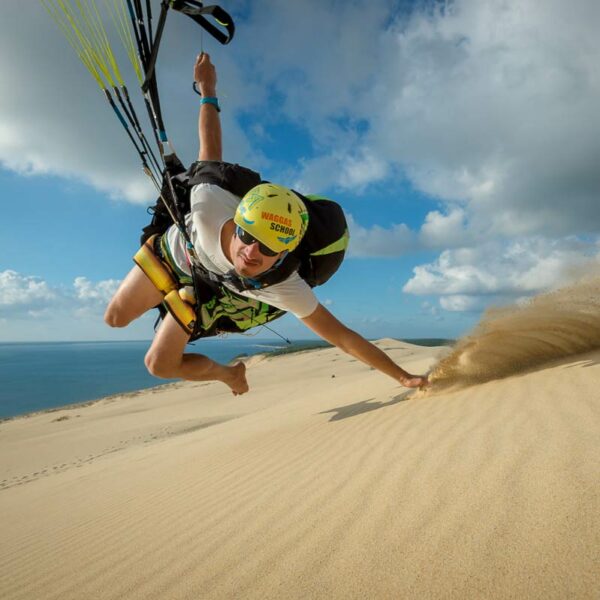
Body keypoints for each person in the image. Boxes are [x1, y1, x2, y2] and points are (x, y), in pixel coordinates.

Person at [104, 53, 428, 395]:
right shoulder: (208, 203)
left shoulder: (283, 283)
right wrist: (208, 88)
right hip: (175, 252)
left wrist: (403, 377)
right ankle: (176, 298)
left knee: (159, 365)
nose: (252, 252)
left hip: (207, 291)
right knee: (115, 318)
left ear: (285, 252)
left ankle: (229, 374)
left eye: (270, 247)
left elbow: (343, 338)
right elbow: (210, 144)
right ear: (238, 219)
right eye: (247, 235)